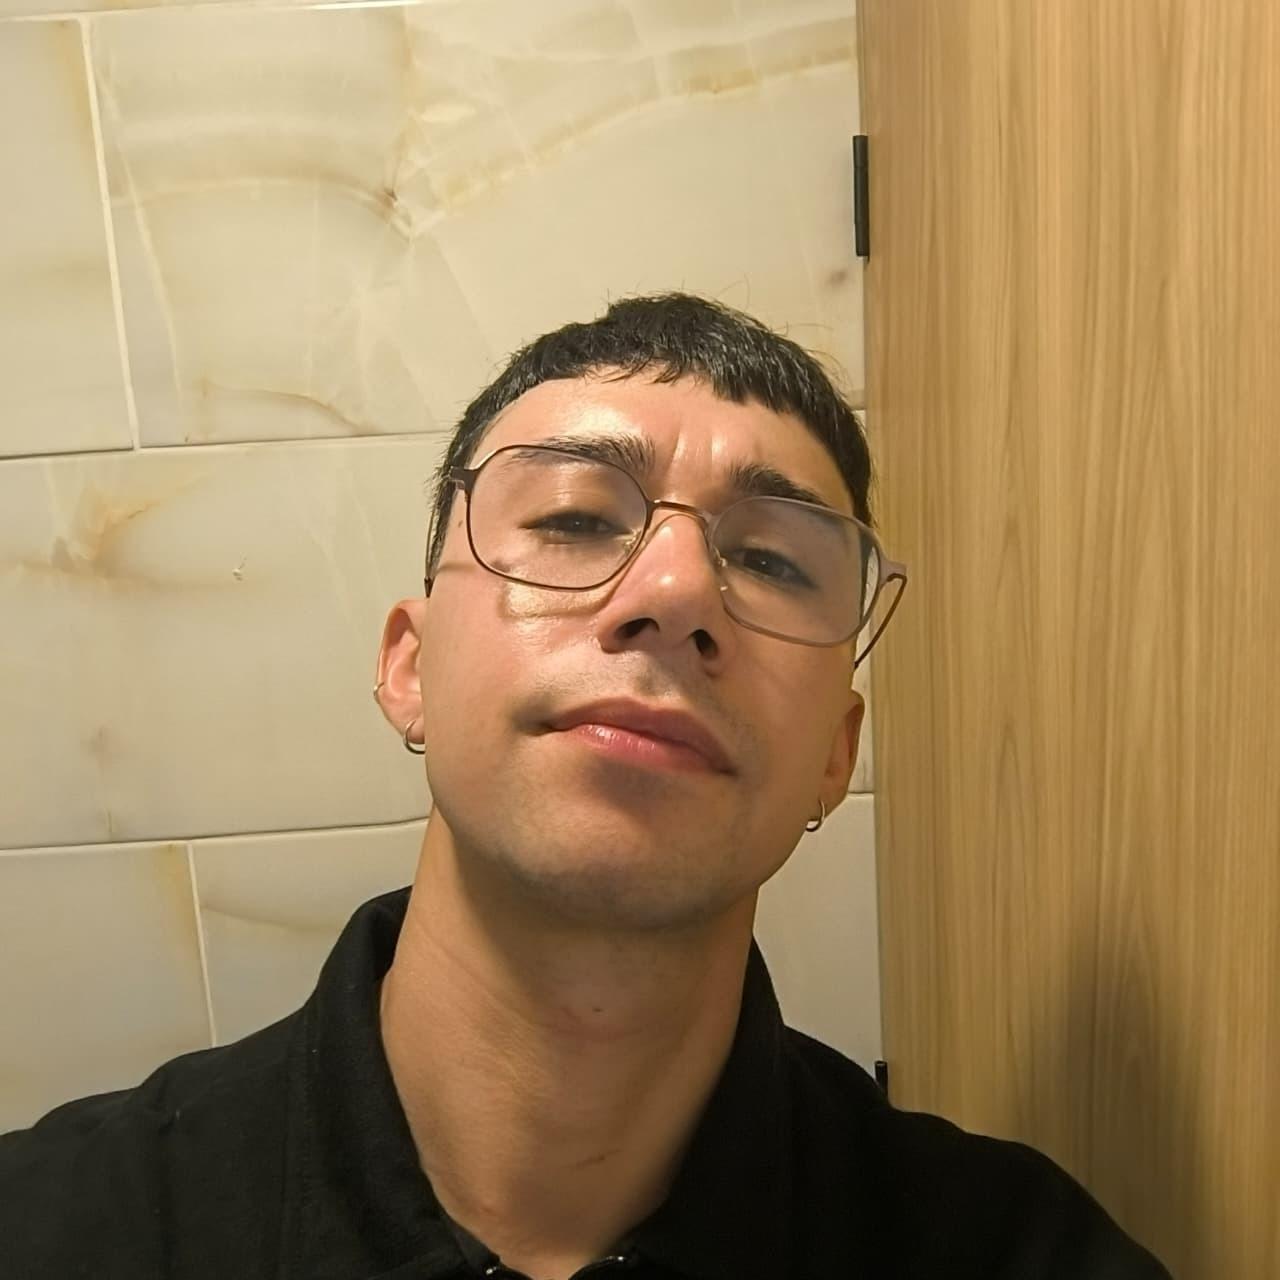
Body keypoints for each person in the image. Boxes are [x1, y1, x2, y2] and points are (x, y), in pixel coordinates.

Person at [0, 294, 1171, 1279]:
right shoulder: (57, 1229)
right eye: (572, 518)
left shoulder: (1021, 1251)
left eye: (770, 557)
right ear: (410, 666)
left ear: (835, 753)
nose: (674, 590)